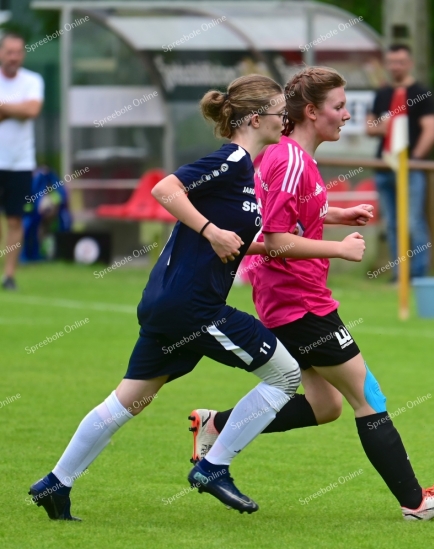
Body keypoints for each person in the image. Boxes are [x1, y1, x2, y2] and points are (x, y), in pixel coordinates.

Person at [189, 66, 434, 521]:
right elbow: (278, 239)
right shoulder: (292, 160)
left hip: (287, 298)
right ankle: (416, 502)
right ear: (311, 111)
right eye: (339, 107)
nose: (346, 116)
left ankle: (218, 424)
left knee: (326, 407)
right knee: (369, 397)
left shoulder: (284, 153)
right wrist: (338, 250)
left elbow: (291, 211)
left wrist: (337, 214)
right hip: (299, 301)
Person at [28, 75, 301, 520]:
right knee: (286, 376)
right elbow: (165, 190)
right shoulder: (232, 158)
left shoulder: (245, 170)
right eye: (278, 111)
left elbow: (229, 238)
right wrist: (211, 232)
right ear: (255, 118)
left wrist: (263, 242)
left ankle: (55, 483)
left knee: (128, 400)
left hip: (169, 304)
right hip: (194, 306)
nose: (284, 119)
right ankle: (213, 467)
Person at [367, 44, 434, 280]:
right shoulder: (382, 94)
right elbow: (369, 128)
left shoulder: (421, 93)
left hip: (410, 168)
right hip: (384, 166)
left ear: (410, 64)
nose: (396, 66)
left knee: (413, 222)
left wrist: (415, 158)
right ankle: (399, 274)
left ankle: (419, 274)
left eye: (400, 62)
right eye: (392, 62)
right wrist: (383, 128)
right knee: (391, 225)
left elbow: (431, 130)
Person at [0, 32, 44, 290]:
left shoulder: (32, 80)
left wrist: (4, 108)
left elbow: (33, 110)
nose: (13, 57)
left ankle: (9, 275)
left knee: (15, 220)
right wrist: (17, 109)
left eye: (18, 52)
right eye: (9, 51)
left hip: (20, 163)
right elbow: (24, 109)